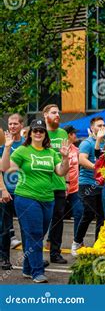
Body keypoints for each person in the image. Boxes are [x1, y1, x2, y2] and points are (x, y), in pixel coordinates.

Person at [1, 119, 69, 283]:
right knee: (35, 235)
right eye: (35, 130)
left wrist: (65, 158)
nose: (38, 133)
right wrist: (8, 147)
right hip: (26, 198)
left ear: (45, 134)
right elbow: (4, 168)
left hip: (48, 199)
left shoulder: (51, 153)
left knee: (37, 234)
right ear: (30, 133)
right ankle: (37, 271)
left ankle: (27, 268)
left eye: (41, 130)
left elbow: (60, 171)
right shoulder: (23, 150)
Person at [71, 117, 105, 257]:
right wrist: (97, 169)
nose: (102, 127)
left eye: (104, 125)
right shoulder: (87, 143)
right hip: (87, 184)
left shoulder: (104, 143)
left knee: (101, 216)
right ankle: (77, 242)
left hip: (101, 185)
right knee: (88, 214)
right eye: (99, 125)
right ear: (92, 128)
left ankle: (98, 244)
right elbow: (82, 160)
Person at [43, 104, 69, 264]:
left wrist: (66, 182)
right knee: (42, 220)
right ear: (45, 115)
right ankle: (37, 255)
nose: (57, 115)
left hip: (59, 184)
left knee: (58, 220)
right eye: (53, 113)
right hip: (43, 185)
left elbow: (66, 160)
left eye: (58, 112)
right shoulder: (38, 133)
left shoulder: (63, 133)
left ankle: (55, 253)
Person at [0, 114, 24, 270]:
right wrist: (2, 190)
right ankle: (4, 258)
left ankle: (31, 261)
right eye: (10, 124)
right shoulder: (2, 146)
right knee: (4, 228)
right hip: (7, 193)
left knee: (27, 227)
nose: (12, 126)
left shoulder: (27, 145)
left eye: (15, 124)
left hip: (25, 193)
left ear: (21, 125)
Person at [63, 125, 83, 241]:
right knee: (57, 216)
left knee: (79, 213)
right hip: (63, 186)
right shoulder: (60, 149)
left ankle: (78, 240)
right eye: (74, 133)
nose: (76, 135)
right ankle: (50, 240)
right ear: (69, 135)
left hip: (75, 187)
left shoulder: (76, 149)